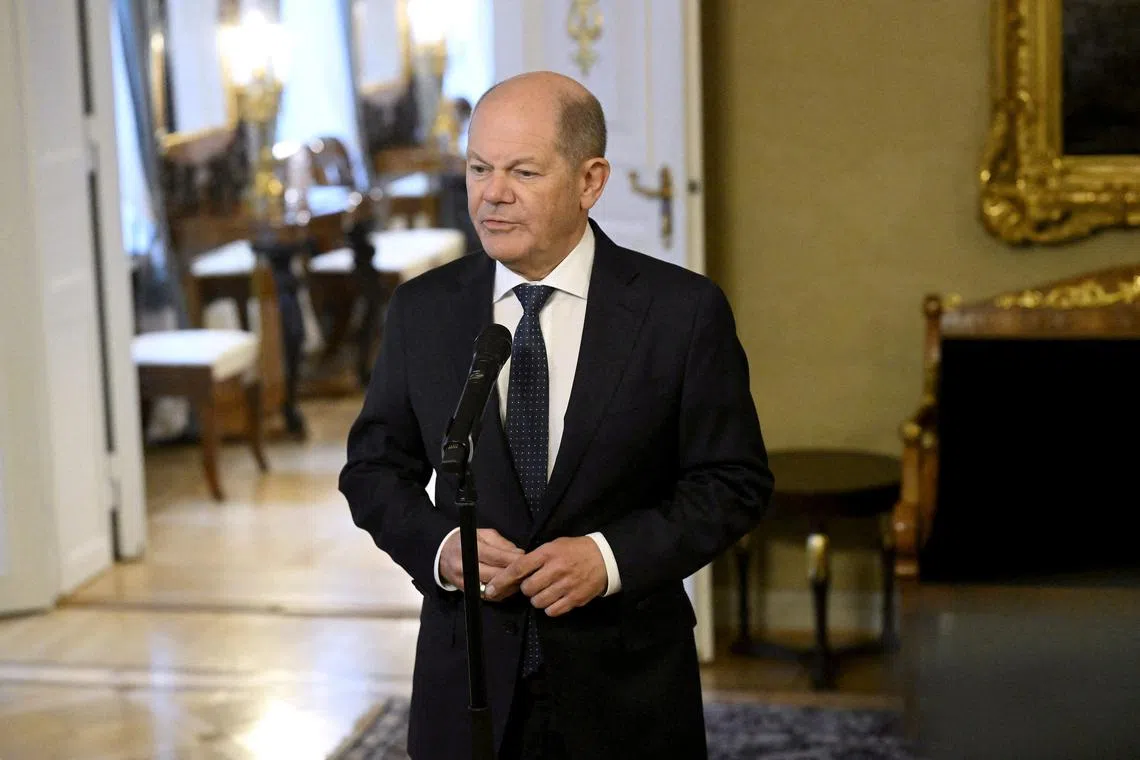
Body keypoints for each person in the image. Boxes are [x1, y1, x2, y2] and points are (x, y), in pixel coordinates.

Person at [339, 71, 774, 760]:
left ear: (589, 180)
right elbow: (372, 470)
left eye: (523, 171)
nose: (493, 193)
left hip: (626, 687)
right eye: (479, 168)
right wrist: (441, 547)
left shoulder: (681, 313)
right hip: (470, 682)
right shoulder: (423, 312)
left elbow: (732, 482)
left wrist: (608, 558)